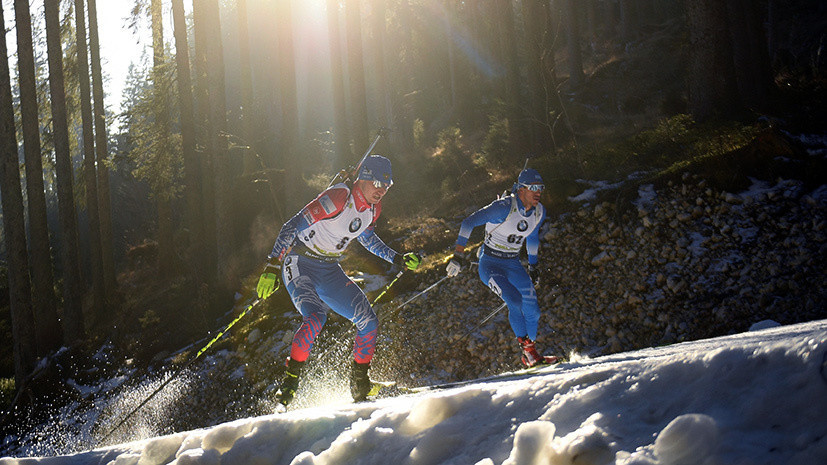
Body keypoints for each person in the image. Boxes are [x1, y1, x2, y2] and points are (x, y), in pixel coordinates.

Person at [256, 155, 421, 406]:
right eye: (377, 182)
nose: (381, 190)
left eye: (387, 185)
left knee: (369, 321)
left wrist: (397, 258)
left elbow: (366, 239)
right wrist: (271, 264)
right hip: (300, 263)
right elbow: (292, 225)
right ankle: (289, 386)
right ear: (363, 177)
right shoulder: (338, 198)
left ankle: (360, 386)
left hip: (329, 269)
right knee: (316, 317)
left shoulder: (374, 209)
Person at [445, 168, 558, 368]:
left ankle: (530, 354)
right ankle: (529, 353)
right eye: (533, 188)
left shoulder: (539, 212)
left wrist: (533, 267)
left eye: (540, 188)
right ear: (521, 190)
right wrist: (458, 255)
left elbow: (531, 237)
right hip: (490, 264)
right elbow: (468, 222)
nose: (538, 192)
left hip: (513, 263)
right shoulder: (503, 207)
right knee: (514, 299)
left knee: (534, 311)